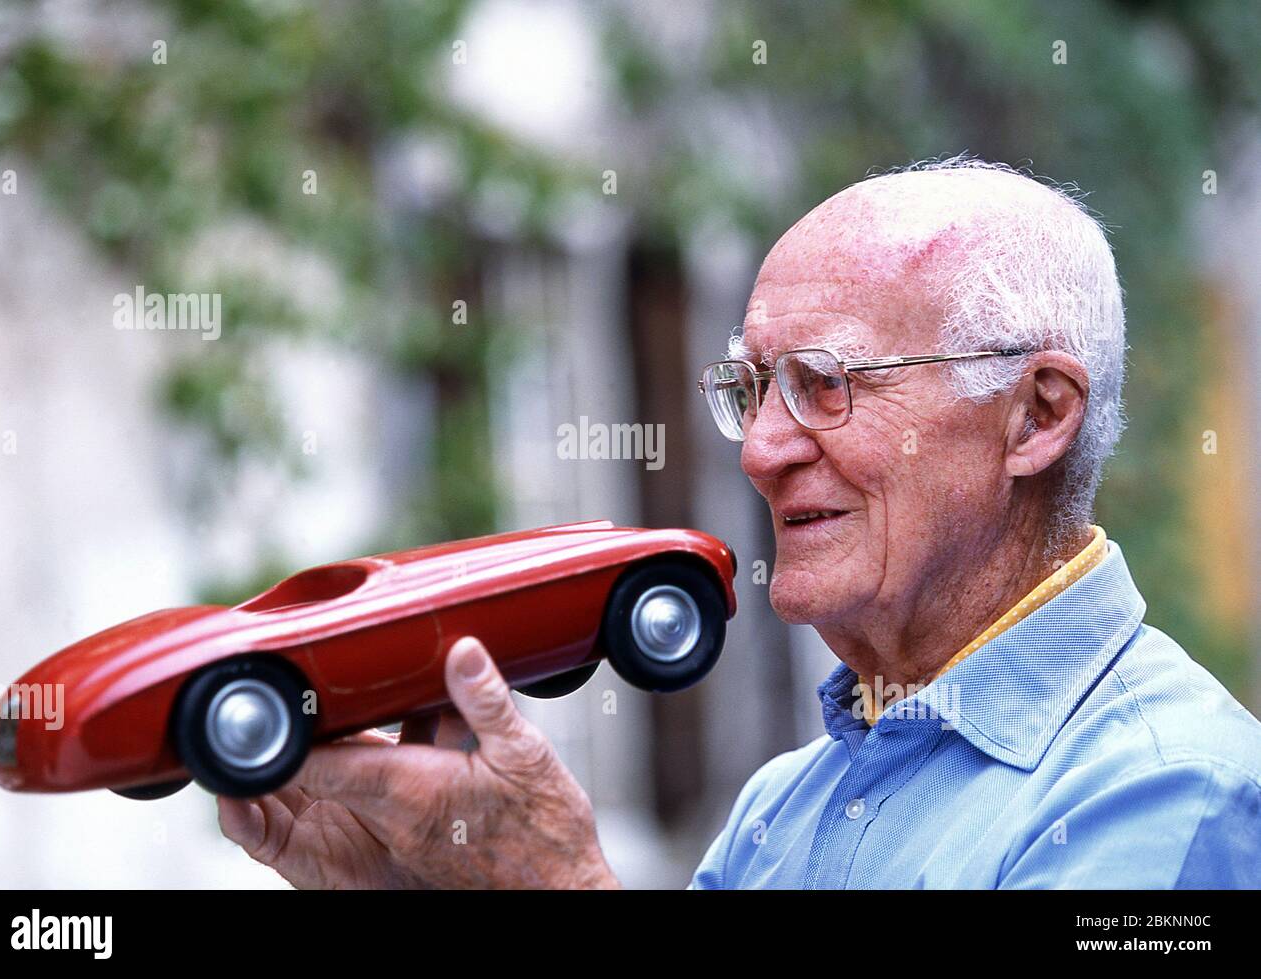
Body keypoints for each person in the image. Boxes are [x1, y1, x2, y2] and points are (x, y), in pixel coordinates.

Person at [219, 158, 1261, 888]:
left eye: (824, 383)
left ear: (1035, 416)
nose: (760, 450)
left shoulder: (1169, 791)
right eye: (752, 387)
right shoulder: (785, 803)